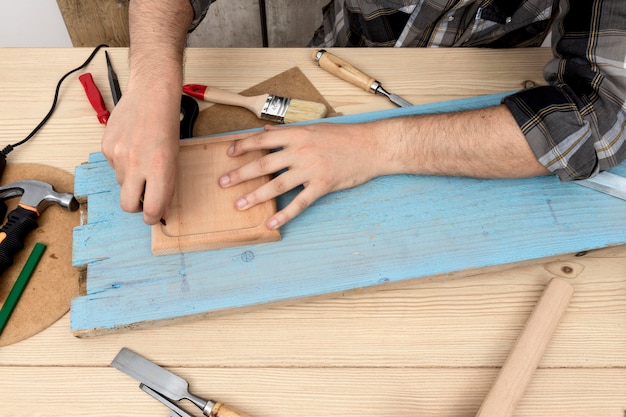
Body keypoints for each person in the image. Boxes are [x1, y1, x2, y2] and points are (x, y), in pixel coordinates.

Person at [101, 0, 626, 230]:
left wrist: (376, 146)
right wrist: (151, 81)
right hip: (347, 48)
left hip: (484, 80)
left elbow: (605, 114)